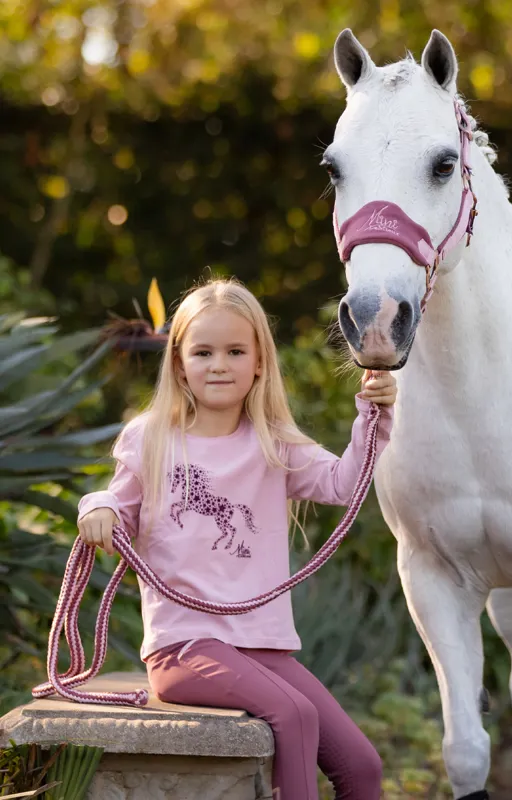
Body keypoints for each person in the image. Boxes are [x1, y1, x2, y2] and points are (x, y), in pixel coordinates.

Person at [77, 277, 396, 799]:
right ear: (179, 363)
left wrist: (373, 414)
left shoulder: (274, 443)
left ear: (259, 363)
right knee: (293, 714)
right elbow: (118, 506)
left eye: (235, 351)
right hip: (184, 648)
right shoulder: (150, 438)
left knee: (362, 768)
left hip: (261, 647)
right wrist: (98, 507)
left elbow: (344, 483)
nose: (219, 365)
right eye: (203, 352)